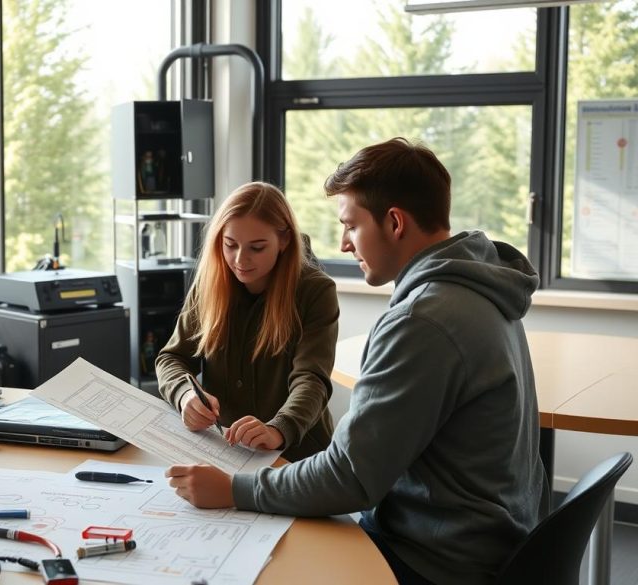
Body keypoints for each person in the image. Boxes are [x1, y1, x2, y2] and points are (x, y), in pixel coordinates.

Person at [164, 138, 549, 585]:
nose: (344, 244)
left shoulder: (422, 320)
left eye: (350, 225)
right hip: (482, 535)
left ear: (395, 222)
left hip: (435, 558)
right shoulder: (478, 286)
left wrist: (233, 489)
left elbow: (348, 475)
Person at [155, 181, 339, 463]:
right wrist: (184, 395)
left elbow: (311, 378)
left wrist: (280, 428)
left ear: (285, 240)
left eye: (257, 247)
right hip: (225, 450)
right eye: (230, 245)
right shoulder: (210, 284)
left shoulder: (315, 291)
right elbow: (171, 358)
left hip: (297, 457)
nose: (240, 259)